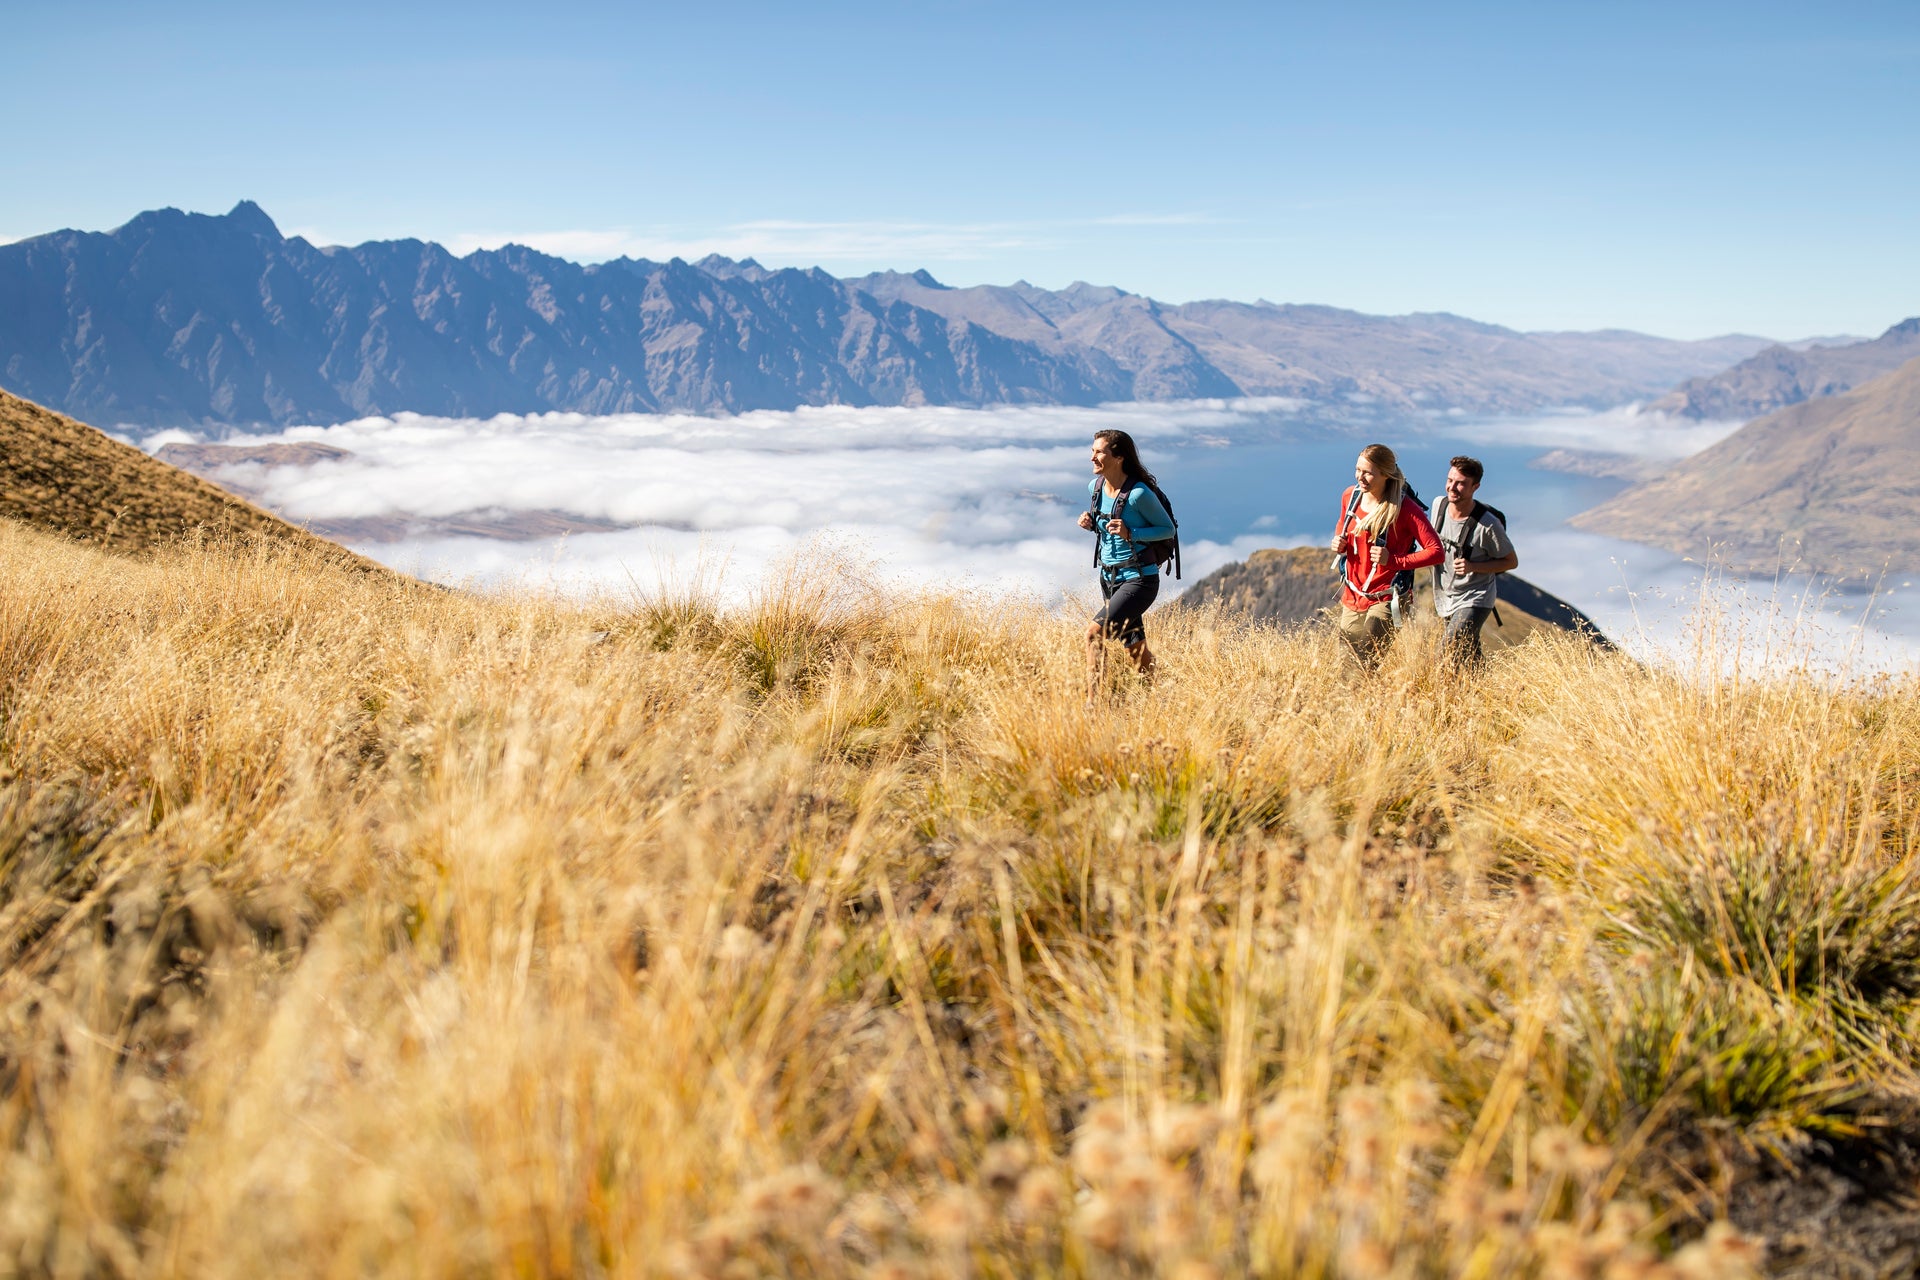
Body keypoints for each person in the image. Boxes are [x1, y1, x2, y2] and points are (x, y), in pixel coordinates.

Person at [1078, 429, 1175, 689]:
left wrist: (1131, 533)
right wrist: (1091, 524)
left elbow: (1168, 530)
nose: (1092, 457)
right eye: (1092, 451)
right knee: (1134, 647)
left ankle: (1093, 705)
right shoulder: (1095, 487)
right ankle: (1157, 694)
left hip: (1139, 580)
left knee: (1093, 635)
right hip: (1109, 577)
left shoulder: (1138, 494)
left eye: (1099, 452)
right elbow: (1108, 528)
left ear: (1119, 457)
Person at [1330, 443, 1443, 667]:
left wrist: (1393, 561)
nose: (1360, 477)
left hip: (1387, 597)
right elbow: (1343, 525)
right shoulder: (1350, 497)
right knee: (1345, 667)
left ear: (1385, 474)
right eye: (1357, 470)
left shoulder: (1405, 508)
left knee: (1364, 665)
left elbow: (1436, 552)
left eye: (1367, 473)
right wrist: (1339, 543)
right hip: (1354, 594)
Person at [1428, 455, 1517, 666]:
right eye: (1450, 480)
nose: (1452, 487)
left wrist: (1473, 567)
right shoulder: (1439, 505)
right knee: (1468, 654)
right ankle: (1482, 691)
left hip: (1476, 597)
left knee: (1448, 647)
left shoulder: (1488, 525)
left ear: (1475, 487)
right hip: (1447, 596)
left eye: (1460, 483)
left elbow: (1511, 561)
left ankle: (1442, 694)